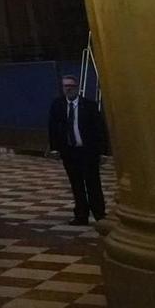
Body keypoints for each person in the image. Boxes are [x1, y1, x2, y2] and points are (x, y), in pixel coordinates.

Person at [47, 74, 108, 224]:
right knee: (76, 184)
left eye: (71, 86)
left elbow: (100, 129)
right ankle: (81, 215)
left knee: (93, 183)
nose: (68, 89)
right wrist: (55, 148)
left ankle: (99, 214)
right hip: (70, 152)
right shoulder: (58, 105)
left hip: (88, 151)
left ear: (77, 87)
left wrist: (103, 151)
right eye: (65, 86)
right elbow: (53, 128)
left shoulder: (89, 106)